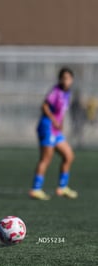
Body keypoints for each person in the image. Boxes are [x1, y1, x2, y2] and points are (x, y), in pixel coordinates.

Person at [29, 67, 77, 200]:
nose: (65, 81)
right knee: (46, 159)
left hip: (56, 130)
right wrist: (54, 120)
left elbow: (61, 111)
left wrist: (60, 123)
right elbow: (44, 106)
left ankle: (62, 187)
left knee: (68, 156)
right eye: (63, 78)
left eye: (68, 78)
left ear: (72, 80)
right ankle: (36, 189)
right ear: (60, 79)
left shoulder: (67, 93)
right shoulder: (56, 91)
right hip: (47, 127)